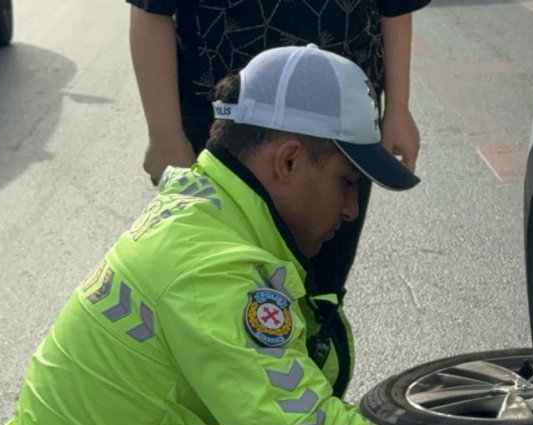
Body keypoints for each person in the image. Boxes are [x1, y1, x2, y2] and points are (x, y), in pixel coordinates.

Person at [0, 46, 533, 425]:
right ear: (287, 160)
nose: (350, 208)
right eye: (346, 181)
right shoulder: (213, 270)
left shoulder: (212, 219)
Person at [128, 0, 423, 297]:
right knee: (215, 285)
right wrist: (165, 134)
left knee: (321, 288)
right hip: (232, 132)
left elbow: (395, 8)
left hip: (342, 133)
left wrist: (398, 106)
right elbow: (151, 9)